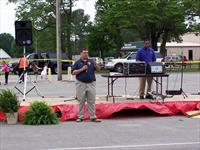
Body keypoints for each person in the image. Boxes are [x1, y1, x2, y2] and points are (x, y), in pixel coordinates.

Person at [72, 49, 101, 122]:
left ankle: (93, 117)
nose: (86, 54)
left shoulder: (91, 61)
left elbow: (98, 69)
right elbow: (73, 72)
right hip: (81, 83)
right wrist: (82, 69)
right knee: (81, 100)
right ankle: (80, 117)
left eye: (87, 53)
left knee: (91, 100)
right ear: (81, 54)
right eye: (84, 53)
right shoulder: (77, 62)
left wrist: (95, 64)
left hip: (91, 83)